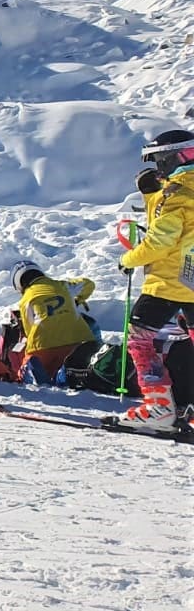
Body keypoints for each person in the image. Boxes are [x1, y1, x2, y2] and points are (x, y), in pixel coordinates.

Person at [117, 131, 194, 427]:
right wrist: (151, 196)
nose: (158, 167)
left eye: (160, 160)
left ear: (174, 157)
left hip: (170, 281)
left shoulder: (176, 195)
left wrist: (128, 259)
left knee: (139, 338)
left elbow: (160, 240)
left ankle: (159, 408)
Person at [10, 261, 97, 385]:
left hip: (43, 347)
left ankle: (35, 373)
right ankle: (65, 374)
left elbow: (29, 330)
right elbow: (89, 284)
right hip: (80, 342)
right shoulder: (62, 285)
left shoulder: (25, 300)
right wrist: (78, 300)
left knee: (26, 367)